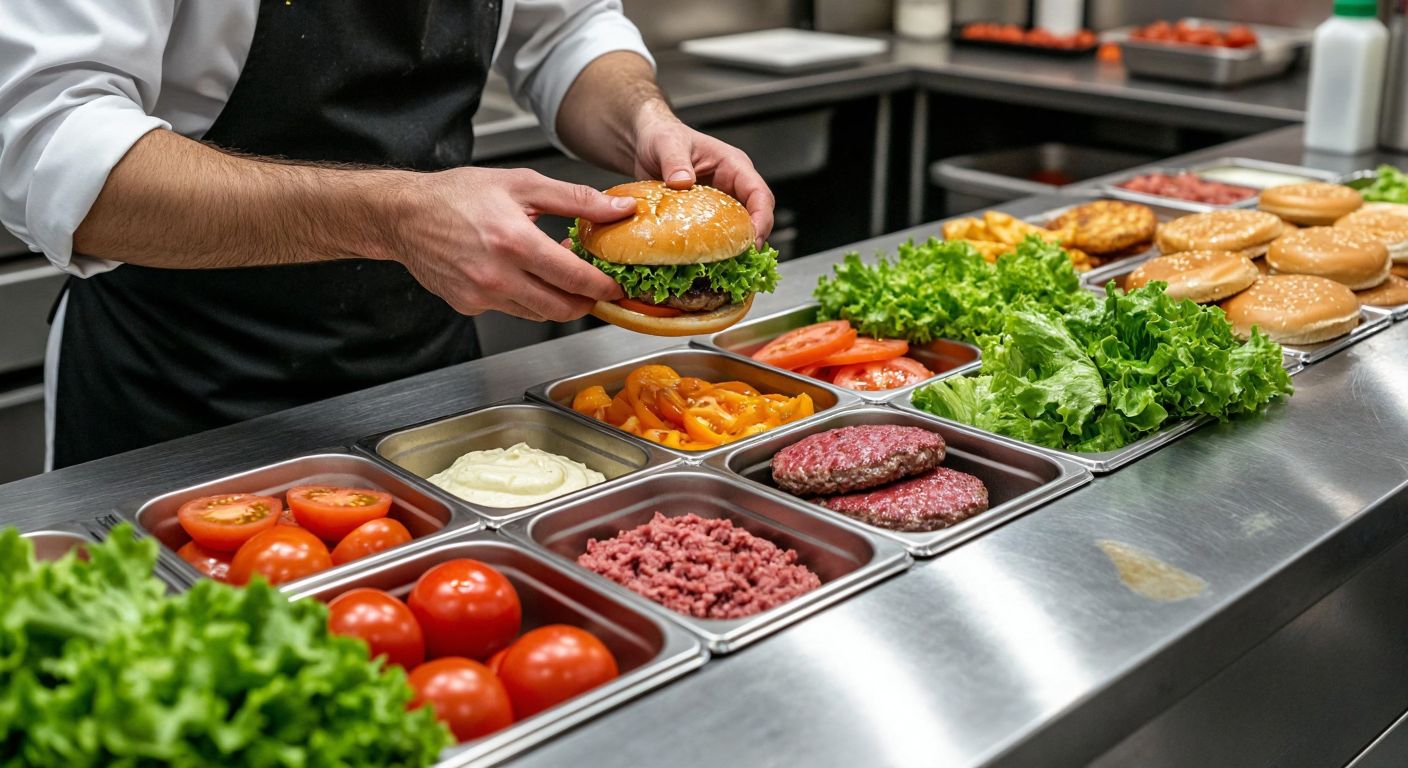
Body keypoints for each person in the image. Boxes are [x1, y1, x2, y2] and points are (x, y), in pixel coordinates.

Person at [0, 0, 775, 469]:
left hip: (427, 373)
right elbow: (51, 141)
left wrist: (647, 119)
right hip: (180, 391)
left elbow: (566, 28)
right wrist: (393, 215)